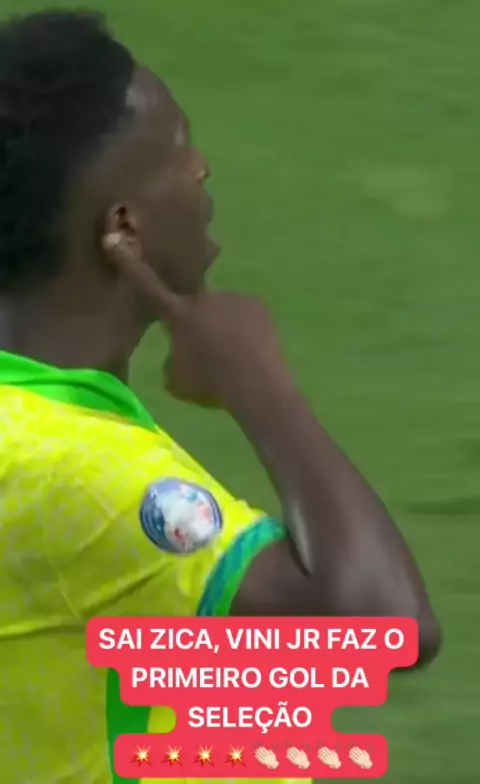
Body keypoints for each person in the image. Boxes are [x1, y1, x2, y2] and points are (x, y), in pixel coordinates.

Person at [0, 9, 440, 784]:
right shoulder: (84, 471)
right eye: (178, 150)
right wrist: (258, 382)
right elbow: (385, 627)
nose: (201, 168)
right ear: (123, 227)